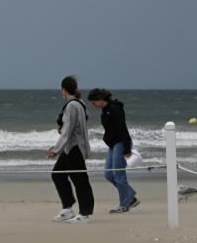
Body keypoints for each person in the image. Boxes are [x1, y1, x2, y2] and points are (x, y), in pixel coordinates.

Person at [47, 75, 94, 223]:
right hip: (70, 148)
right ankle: (67, 208)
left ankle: (85, 214)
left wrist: (56, 149)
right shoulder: (79, 103)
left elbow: (68, 130)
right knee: (58, 174)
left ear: (63, 90)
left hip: (74, 148)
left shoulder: (73, 105)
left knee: (80, 180)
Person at [87, 88, 139, 213]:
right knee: (108, 174)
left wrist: (126, 148)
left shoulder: (115, 109)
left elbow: (123, 128)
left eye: (94, 103)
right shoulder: (105, 110)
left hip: (121, 143)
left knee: (119, 176)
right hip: (113, 144)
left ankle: (124, 204)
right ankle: (130, 196)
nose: (93, 105)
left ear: (100, 99)